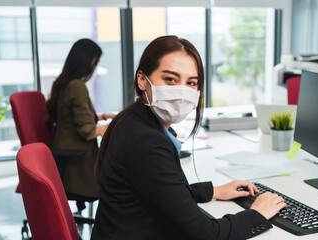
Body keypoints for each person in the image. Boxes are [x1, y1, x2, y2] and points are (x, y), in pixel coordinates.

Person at [91, 35, 286, 240]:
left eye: (191, 83)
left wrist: (212, 192)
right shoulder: (147, 142)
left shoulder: (132, 119)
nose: (181, 91)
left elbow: (160, 191)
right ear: (142, 79)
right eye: (170, 79)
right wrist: (257, 214)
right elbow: (204, 234)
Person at [46, 38, 113, 212]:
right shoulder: (77, 86)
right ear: (88, 61)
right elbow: (87, 131)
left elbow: (71, 119)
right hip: (78, 166)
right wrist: (115, 125)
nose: (95, 67)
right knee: (124, 174)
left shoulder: (63, 83)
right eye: (95, 62)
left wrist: (105, 116)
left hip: (66, 157)